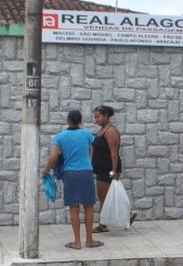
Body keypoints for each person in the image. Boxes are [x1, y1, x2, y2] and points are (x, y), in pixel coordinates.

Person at [42, 109, 102, 249]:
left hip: (70, 174)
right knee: (89, 207)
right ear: (80, 121)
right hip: (86, 172)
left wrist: (46, 170)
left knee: (74, 208)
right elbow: (93, 148)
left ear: (68, 121)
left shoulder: (61, 137)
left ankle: (77, 242)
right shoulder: (87, 134)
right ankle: (90, 240)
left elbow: (53, 158)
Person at [91, 105, 129, 233]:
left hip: (108, 168)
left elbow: (114, 152)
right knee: (104, 196)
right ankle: (106, 222)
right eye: (95, 117)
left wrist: (113, 171)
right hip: (101, 167)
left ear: (106, 116)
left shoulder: (111, 131)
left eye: (98, 117)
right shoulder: (102, 130)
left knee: (106, 196)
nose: (96, 119)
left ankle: (104, 224)